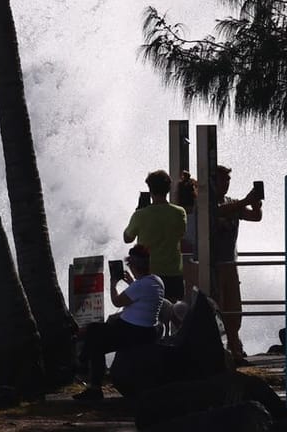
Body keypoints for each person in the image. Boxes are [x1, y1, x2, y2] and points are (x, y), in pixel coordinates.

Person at [77, 245, 163, 401]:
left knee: (94, 335)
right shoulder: (156, 281)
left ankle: (88, 376)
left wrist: (113, 283)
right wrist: (132, 283)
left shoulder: (140, 286)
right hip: (147, 331)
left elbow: (117, 302)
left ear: (133, 266)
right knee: (95, 333)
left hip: (132, 332)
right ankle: (84, 366)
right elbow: (142, 296)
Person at [209, 166, 265, 362]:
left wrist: (256, 204)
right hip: (214, 265)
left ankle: (236, 351)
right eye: (222, 180)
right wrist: (247, 201)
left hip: (231, 264)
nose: (225, 184)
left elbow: (255, 217)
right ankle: (225, 352)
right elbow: (217, 212)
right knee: (219, 308)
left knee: (234, 311)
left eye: (227, 181)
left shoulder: (232, 202)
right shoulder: (208, 205)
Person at [124, 170, 188, 300]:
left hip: (149, 275)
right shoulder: (179, 212)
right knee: (173, 315)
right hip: (174, 274)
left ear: (150, 189)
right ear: (168, 189)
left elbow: (127, 238)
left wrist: (139, 211)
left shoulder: (140, 215)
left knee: (150, 315)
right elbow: (181, 234)